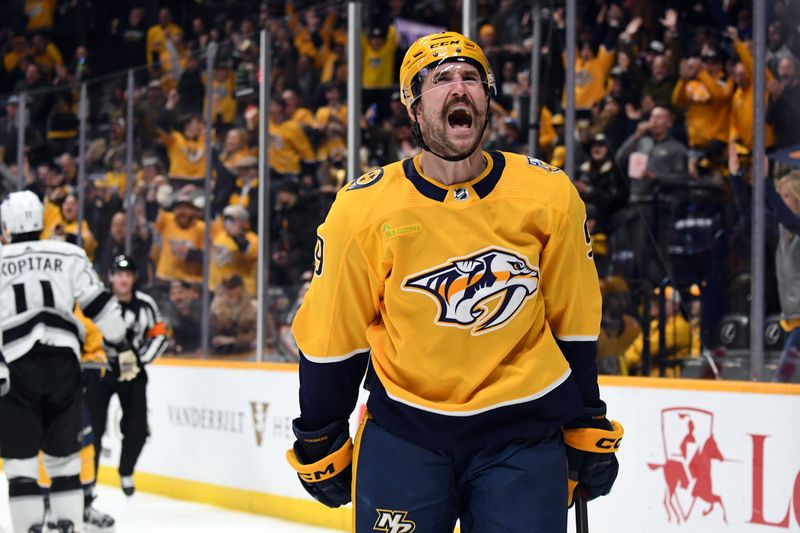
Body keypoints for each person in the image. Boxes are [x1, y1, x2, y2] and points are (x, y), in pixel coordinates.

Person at [286, 31, 622, 532]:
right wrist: (320, 434)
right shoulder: (364, 209)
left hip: (523, 436)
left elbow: (572, 322)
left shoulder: (547, 194)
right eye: (441, 78)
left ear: (487, 99)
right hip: (405, 435)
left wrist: (586, 418)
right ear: (414, 108)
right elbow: (334, 337)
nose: (460, 87)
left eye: (472, 77)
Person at [0, 191, 138, 533]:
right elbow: (102, 307)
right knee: (64, 463)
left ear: (6, 225)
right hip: (63, 366)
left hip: (16, 368)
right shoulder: (70, 254)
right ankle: (69, 526)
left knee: (21, 467)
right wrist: (121, 344)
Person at [86, 254, 167, 497]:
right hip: (101, 371)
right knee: (92, 429)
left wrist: (141, 360)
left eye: (127, 275)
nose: (123, 279)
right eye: (118, 274)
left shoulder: (145, 304)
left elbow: (160, 335)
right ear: (111, 277)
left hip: (132, 371)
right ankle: (89, 480)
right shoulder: (98, 302)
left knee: (138, 429)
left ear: (134, 278)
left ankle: (126, 471)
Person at [767, 170, 800, 382]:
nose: (781, 202)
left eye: (785, 196)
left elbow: (791, 221)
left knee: (781, 379)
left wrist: (764, 182)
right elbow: (748, 212)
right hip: (790, 319)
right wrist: (735, 176)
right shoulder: (781, 230)